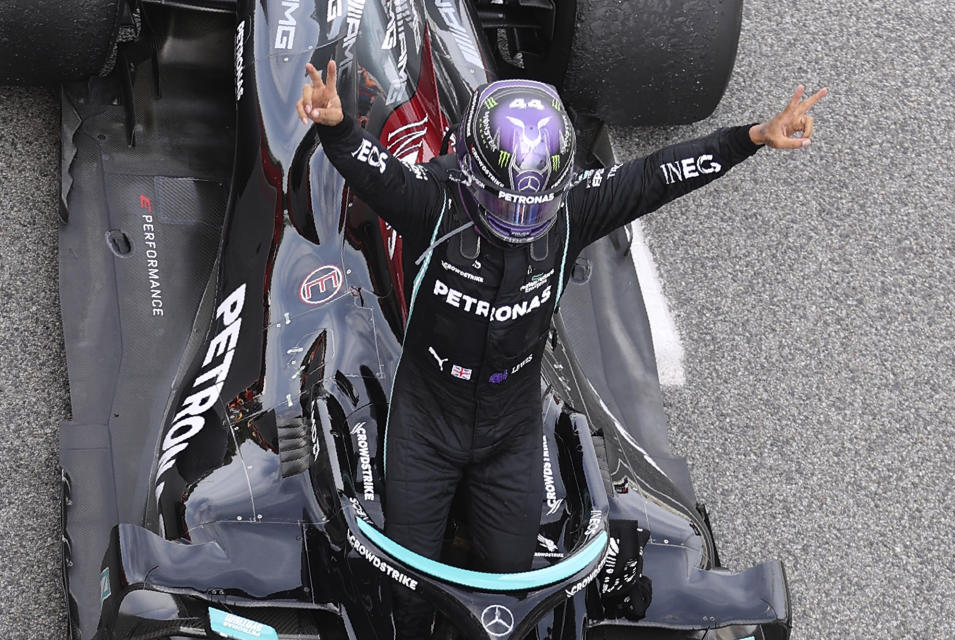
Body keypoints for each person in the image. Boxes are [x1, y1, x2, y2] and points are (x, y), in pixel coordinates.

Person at [297, 60, 826, 637]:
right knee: (406, 594)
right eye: (507, 204)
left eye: (535, 206)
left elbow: (658, 175)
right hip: (425, 423)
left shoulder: (573, 207)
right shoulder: (434, 200)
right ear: (473, 174)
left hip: (512, 428)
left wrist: (749, 139)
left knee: (516, 588)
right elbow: (369, 169)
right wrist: (337, 127)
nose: (522, 218)